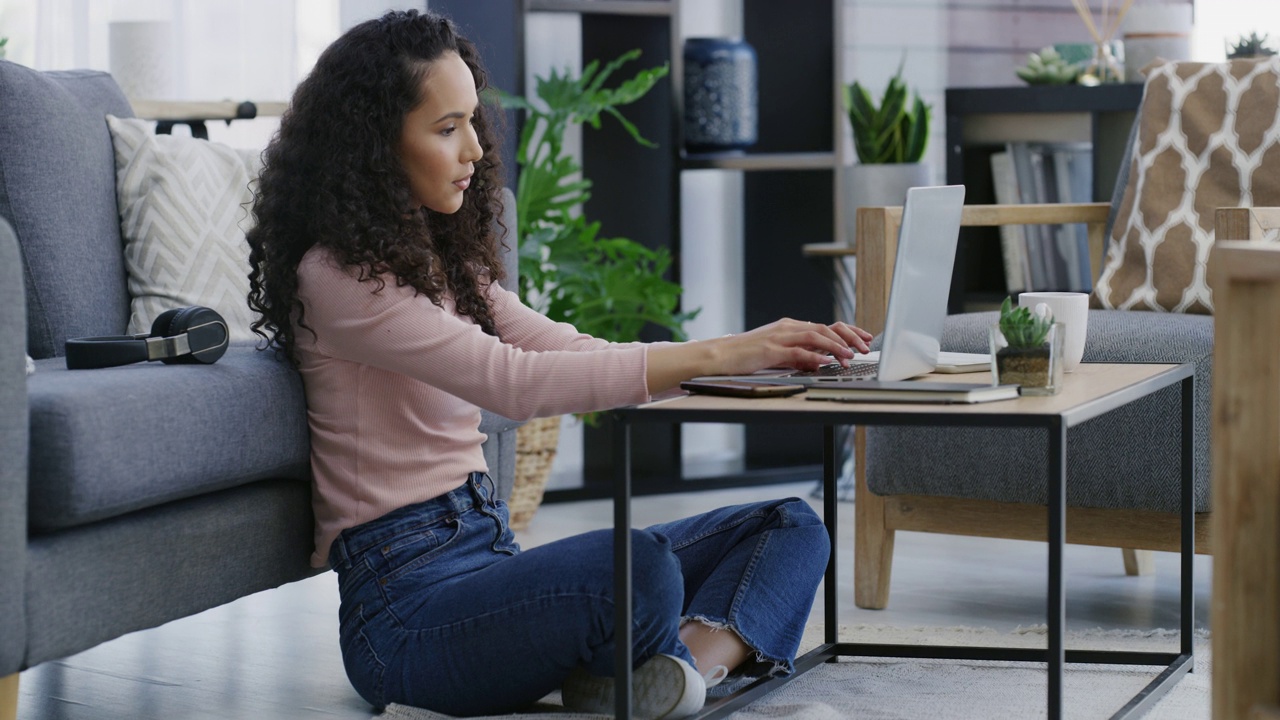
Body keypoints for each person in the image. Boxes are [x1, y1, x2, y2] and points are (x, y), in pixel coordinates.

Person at [246, 9, 873, 719]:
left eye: (474, 123)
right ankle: (668, 668)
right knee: (639, 572)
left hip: (489, 558)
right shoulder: (339, 277)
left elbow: (569, 349)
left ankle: (676, 676)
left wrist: (756, 367)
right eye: (447, 128)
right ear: (373, 146)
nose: (476, 150)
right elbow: (512, 381)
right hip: (406, 617)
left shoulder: (436, 264)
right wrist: (730, 348)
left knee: (793, 526)